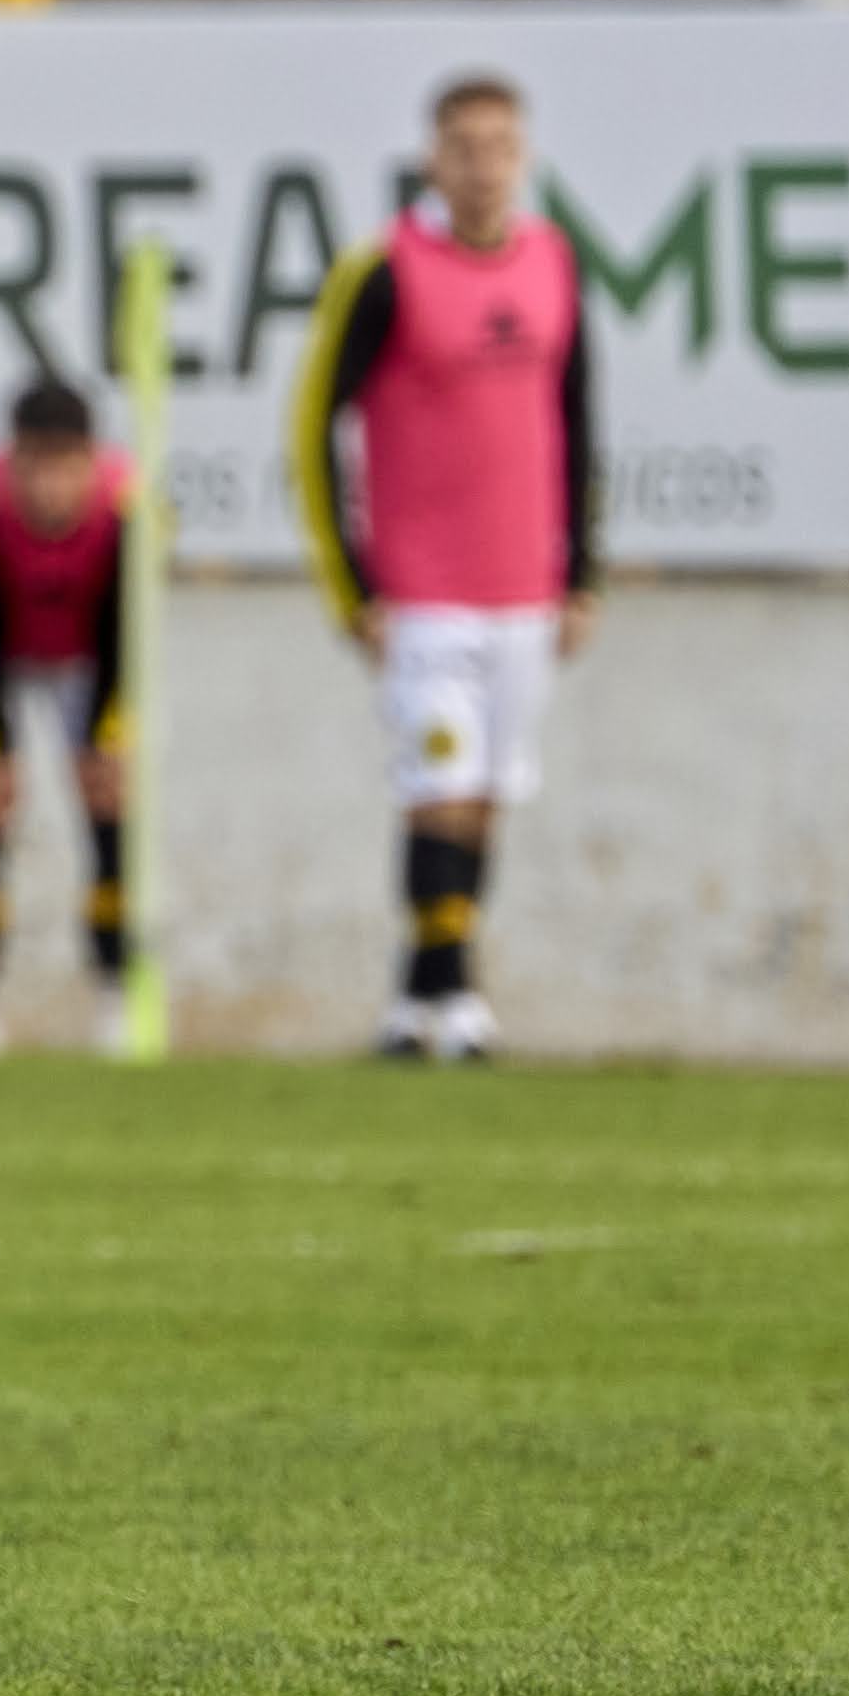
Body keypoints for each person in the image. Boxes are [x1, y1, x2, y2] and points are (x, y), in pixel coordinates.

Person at [291, 73, 598, 1061]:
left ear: (524, 158)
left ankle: (417, 999)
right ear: (432, 158)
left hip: (523, 585)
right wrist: (353, 583)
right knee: (440, 785)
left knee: (488, 792)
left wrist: (580, 571)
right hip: (420, 588)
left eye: (498, 145)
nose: (481, 165)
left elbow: (579, 420)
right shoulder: (383, 271)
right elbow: (311, 425)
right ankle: (452, 998)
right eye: (462, 145)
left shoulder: (554, 263)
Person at [0, 377, 138, 1057]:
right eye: (34, 466)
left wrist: (101, 732)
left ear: (89, 461)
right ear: (11, 458)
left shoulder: (128, 506)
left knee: (107, 793)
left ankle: (115, 995)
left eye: (64, 466)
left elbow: (123, 629)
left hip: (84, 644)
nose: (49, 487)